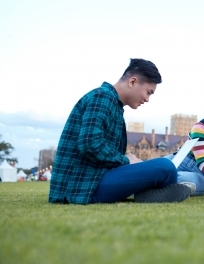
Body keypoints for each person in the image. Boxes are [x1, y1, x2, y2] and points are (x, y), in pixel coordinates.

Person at [49, 58, 191, 204]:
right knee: (165, 167)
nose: (147, 99)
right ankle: (151, 193)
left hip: (93, 180)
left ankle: (152, 193)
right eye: (148, 92)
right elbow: (89, 143)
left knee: (168, 169)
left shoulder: (112, 103)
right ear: (133, 82)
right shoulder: (102, 97)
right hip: (83, 186)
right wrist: (126, 160)